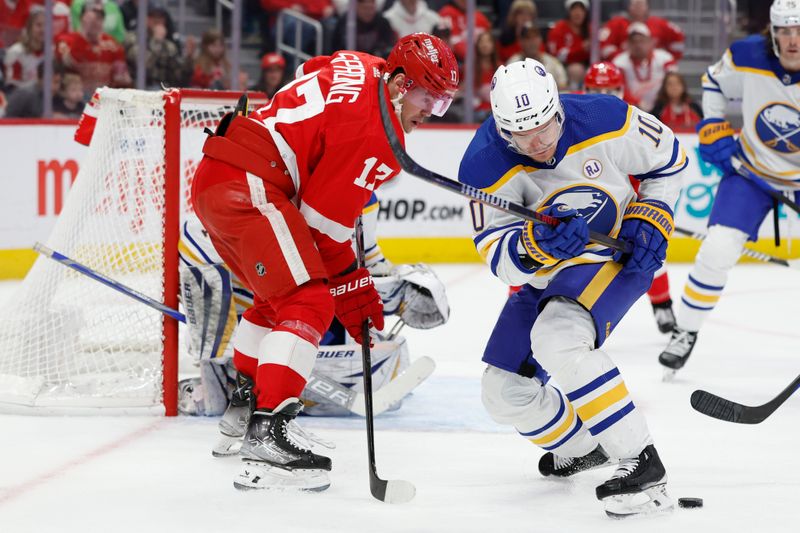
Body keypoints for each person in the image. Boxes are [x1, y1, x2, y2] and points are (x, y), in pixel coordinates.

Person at [190, 32, 459, 492]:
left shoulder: (363, 62)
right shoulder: (377, 138)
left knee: (277, 301)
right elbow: (320, 230)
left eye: (441, 105)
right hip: (251, 185)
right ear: (397, 84)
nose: (427, 115)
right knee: (309, 302)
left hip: (219, 176)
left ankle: (245, 407)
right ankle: (268, 435)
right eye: (424, 98)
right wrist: (352, 286)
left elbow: (309, 70)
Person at [459, 58, 686, 517]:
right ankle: (586, 446)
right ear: (503, 129)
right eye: (523, 134)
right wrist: (536, 244)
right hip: (544, 275)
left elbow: (672, 159)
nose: (539, 142)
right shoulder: (483, 164)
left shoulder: (604, 117)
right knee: (503, 392)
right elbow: (501, 261)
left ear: (558, 108)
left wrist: (654, 213)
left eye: (545, 126)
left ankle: (642, 464)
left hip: (619, 250)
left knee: (558, 338)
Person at [659, 0, 800, 375]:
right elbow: (714, 82)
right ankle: (685, 330)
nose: (793, 40)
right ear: (772, 32)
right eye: (785, 31)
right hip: (753, 171)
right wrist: (713, 125)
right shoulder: (747, 54)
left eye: (799, 30)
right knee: (718, 247)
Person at [584, 61, 677, 333]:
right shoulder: (572, 117)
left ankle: (662, 305)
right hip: (585, 204)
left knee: (648, 250)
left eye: (611, 89)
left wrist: (641, 207)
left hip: (623, 204)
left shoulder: (633, 120)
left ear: (621, 89)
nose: (603, 95)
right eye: (595, 89)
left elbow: (651, 171)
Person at [55, 0, 132, 97]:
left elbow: (122, 78)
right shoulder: (66, 40)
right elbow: (68, 62)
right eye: (91, 18)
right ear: (81, 18)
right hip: (75, 97)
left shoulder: (112, 44)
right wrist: (84, 37)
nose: (95, 22)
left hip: (104, 98)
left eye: (99, 18)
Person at [612, 22, 677, 113]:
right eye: (634, 41)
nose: (638, 45)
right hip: (631, 109)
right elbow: (620, 88)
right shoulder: (619, 62)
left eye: (641, 40)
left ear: (650, 41)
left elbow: (674, 82)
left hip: (661, 108)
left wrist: (661, 102)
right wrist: (636, 103)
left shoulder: (665, 58)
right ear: (628, 44)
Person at [600, 0, 684, 61]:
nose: (638, 8)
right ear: (629, 6)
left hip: (653, 68)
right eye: (635, 4)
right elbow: (603, 45)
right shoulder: (615, 24)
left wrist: (665, 57)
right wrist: (623, 58)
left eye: (641, 4)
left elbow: (678, 37)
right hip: (624, 68)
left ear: (647, 6)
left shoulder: (660, 24)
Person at [508, 23, 567, 90]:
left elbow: (563, 87)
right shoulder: (512, 63)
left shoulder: (553, 62)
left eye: (535, 37)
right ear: (521, 42)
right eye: (528, 38)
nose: (532, 42)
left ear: (541, 39)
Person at [546, 0, 591, 75]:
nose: (578, 13)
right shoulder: (558, 29)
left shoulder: (591, 29)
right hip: (562, 66)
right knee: (576, 70)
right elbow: (556, 55)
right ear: (568, 11)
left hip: (587, 64)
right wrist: (581, 48)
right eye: (574, 9)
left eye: (581, 9)